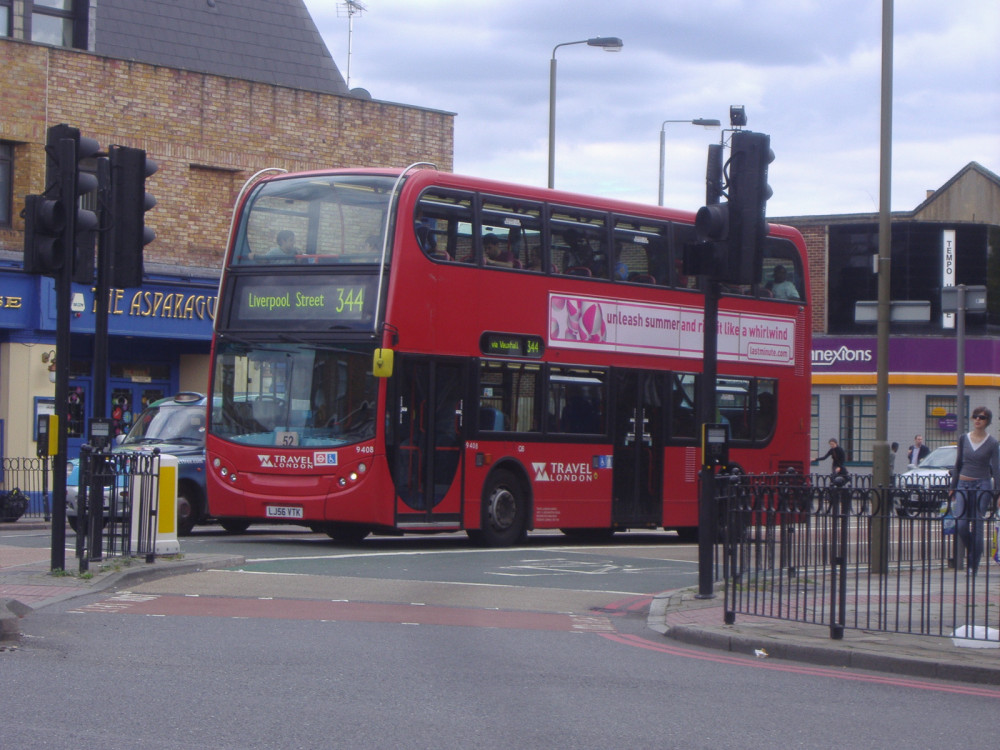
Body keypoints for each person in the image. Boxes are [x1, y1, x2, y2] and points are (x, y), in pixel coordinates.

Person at [948, 407, 1000, 575]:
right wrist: (953, 486)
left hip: (982, 485)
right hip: (963, 484)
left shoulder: (992, 443)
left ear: (987, 422)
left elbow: (996, 469)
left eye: (982, 418)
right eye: (976, 416)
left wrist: (998, 494)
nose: (978, 419)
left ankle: (973, 565)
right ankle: (974, 551)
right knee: (961, 523)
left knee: (977, 523)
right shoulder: (964, 438)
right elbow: (958, 463)